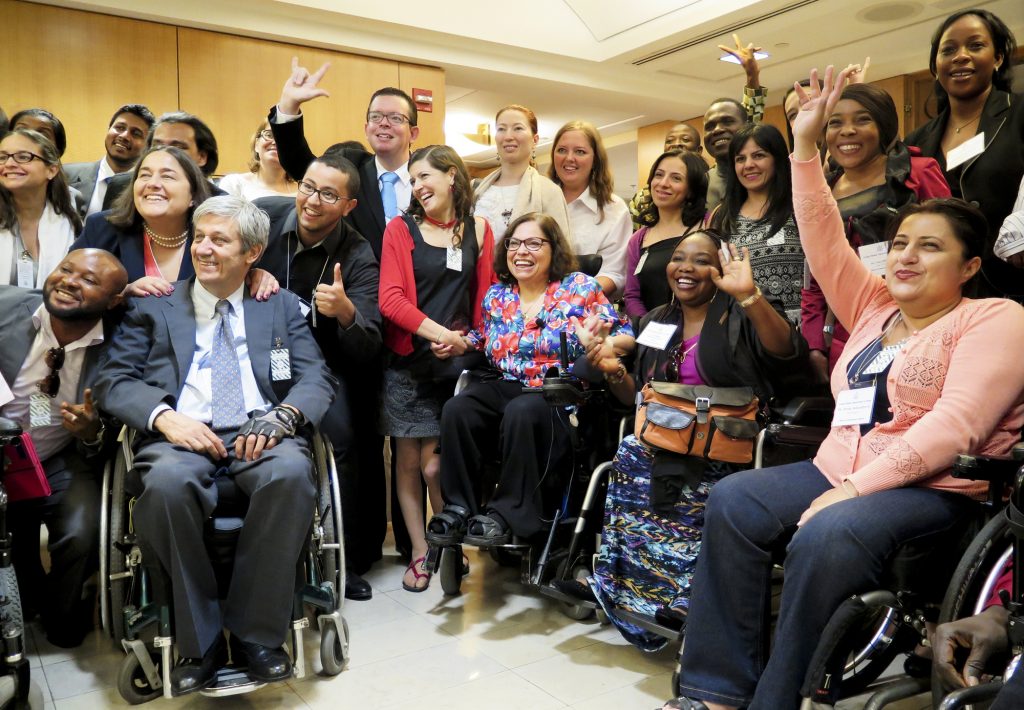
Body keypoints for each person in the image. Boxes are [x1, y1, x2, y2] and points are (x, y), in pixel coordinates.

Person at [665, 66, 1024, 710]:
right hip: (841, 467)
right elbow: (823, 233)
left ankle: (776, 700)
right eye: (903, 243)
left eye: (930, 248)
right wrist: (804, 145)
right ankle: (717, 689)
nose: (907, 256)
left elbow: (958, 426)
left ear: (970, 266)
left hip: (934, 488)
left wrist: (853, 491)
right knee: (735, 501)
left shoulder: (996, 318)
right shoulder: (874, 304)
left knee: (829, 533)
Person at [92, 195, 335, 695]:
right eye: (199, 237)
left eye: (218, 240)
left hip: (260, 429)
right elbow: (114, 380)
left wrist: (284, 416)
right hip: (180, 434)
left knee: (291, 475)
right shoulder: (153, 307)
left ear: (252, 252)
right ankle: (197, 644)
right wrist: (165, 418)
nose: (202, 248)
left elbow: (315, 378)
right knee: (163, 484)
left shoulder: (281, 306)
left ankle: (255, 637)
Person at [559, 230, 807, 651]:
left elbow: (787, 352)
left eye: (701, 260)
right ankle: (618, 586)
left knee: (685, 477)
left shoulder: (743, 313)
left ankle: (684, 594)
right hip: (666, 440)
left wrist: (750, 296)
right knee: (631, 449)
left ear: (721, 268)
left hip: (727, 447)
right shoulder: (656, 321)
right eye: (678, 258)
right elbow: (641, 397)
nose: (686, 268)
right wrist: (614, 370)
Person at [270, 57, 417, 563]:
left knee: (395, 443)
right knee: (357, 433)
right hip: (355, 324)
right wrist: (288, 107)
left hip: (407, 328)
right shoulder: (350, 177)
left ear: (412, 130)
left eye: (395, 117)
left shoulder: (428, 178)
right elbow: (305, 168)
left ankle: (383, 543)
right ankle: (361, 547)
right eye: (376, 114)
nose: (384, 123)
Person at [425, 212, 631, 548]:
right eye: (515, 243)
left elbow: (625, 334)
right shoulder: (498, 296)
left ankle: (507, 514)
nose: (522, 251)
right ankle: (460, 505)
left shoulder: (578, 287)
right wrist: (459, 343)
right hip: (507, 383)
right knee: (458, 408)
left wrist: (603, 343)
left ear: (554, 250)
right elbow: (484, 338)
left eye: (534, 243)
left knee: (522, 410)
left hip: (558, 389)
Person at [254, 152, 381, 601]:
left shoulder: (358, 252)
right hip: (253, 355)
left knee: (342, 440)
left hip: (320, 367)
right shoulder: (264, 218)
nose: (313, 200)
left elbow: (368, 343)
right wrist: (248, 271)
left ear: (347, 205)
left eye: (329, 194)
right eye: (308, 186)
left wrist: (345, 313)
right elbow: (215, 261)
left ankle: (339, 557)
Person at [379, 145, 495, 591]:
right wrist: (437, 334)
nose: (418, 186)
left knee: (436, 466)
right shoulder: (400, 229)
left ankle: (450, 545)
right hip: (407, 361)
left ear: (452, 177)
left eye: (425, 175)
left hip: (458, 364)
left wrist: (465, 341)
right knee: (408, 460)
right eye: (413, 180)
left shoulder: (480, 230)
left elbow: (485, 303)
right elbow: (390, 300)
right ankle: (421, 552)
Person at [0, 249, 127, 648]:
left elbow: (115, 426)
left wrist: (92, 431)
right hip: (4, 451)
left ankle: (62, 613)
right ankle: (24, 601)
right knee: (13, 541)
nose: (70, 281)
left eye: (89, 280)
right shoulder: (5, 307)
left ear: (113, 300)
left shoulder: (120, 344)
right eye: (66, 270)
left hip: (61, 456)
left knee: (81, 530)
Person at [801, 83, 951, 378]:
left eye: (862, 119)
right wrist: (814, 342)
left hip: (921, 321)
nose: (847, 131)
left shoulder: (916, 172)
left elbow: (951, 246)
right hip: (849, 327)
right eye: (835, 123)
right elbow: (814, 270)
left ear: (884, 125)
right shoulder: (823, 188)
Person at [905, 9, 1023, 299]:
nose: (960, 56)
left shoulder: (1020, 115)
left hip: (1012, 288)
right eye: (948, 49)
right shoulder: (916, 142)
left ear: (997, 58)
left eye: (975, 45)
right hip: (940, 296)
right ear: (935, 65)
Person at [74, 146, 277, 300]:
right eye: (144, 175)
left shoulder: (212, 235)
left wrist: (253, 275)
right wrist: (123, 293)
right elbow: (67, 287)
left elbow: (235, 274)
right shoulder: (101, 227)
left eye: (167, 177)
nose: (152, 184)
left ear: (192, 196)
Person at [710, 123, 805, 325]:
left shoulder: (798, 206)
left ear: (777, 159)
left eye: (759, 155)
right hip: (745, 331)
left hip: (799, 328)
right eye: (740, 159)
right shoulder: (722, 216)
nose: (748, 165)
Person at [548, 120, 632, 297]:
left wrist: (570, 298)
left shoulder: (614, 209)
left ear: (595, 159)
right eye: (562, 150)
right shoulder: (539, 200)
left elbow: (614, 273)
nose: (569, 158)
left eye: (580, 151)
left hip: (585, 310)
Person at [623, 150, 708, 321]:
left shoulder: (708, 224)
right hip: (652, 335)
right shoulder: (638, 239)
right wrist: (647, 326)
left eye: (676, 178)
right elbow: (632, 296)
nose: (663, 183)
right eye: (659, 175)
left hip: (701, 333)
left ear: (692, 189)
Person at [473, 104, 571, 243]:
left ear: (535, 140)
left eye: (518, 128)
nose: (508, 136)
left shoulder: (549, 191)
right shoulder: (477, 190)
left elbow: (561, 251)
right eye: (501, 129)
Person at [1, 128, 82, 288]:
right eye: (2, 157)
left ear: (51, 170)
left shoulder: (71, 222)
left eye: (23, 157)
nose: (9, 164)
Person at [102, 111, 225, 210]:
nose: (164, 154)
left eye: (177, 147)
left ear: (202, 157)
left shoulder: (220, 202)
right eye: (157, 146)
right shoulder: (121, 185)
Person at [64, 104, 155, 218]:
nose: (124, 136)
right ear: (108, 130)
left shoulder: (148, 188)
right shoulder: (66, 175)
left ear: (148, 145)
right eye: (120, 127)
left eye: (136, 133)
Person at [629, 123, 704, 230]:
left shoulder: (709, 188)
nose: (676, 144)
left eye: (685, 140)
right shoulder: (643, 197)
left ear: (699, 151)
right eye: (670, 141)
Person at [218, 120, 297, 201]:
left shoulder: (304, 193)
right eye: (269, 135)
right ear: (257, 144)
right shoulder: (234, 184)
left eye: (286, 138)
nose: (276, 142)